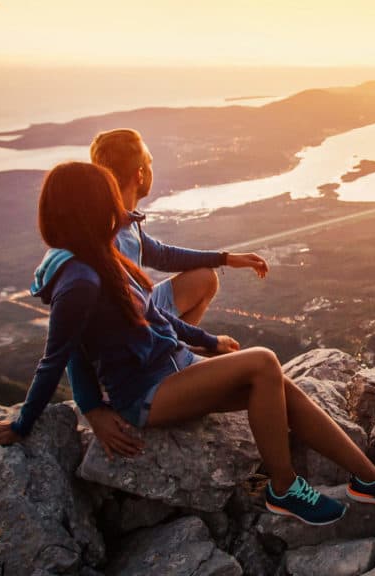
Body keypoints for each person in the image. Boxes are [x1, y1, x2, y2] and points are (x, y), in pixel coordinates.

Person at [0, 162, 375, 525]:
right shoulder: (78, 279)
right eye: (110, 203)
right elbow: (60, 357)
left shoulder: (101, 255)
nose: (121, 212)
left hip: (173, 368)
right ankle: (283, 490)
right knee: (264, 362)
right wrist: (41, 420)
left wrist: (205, 342)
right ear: (90, 211)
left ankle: (369, 478)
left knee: (277, 385)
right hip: (145, 395)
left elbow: (153, 315)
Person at [78, 128, 267, 458]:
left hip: (140, 310)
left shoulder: (126, 218)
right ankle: (176, 358)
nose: (152, 167)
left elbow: (161, 255)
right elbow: (76, 331)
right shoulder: (105, 235)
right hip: (129, 330)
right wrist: (92, 409)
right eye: (149, 161)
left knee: (205, 278)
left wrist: (225, 259)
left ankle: (179, 351)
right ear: (139, 173)